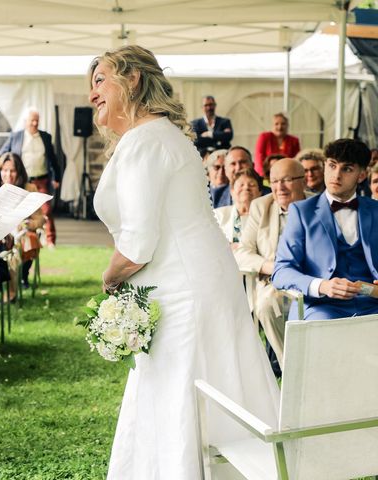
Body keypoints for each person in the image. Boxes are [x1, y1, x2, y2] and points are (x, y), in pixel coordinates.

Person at [88, 45, 278, 479]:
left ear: (133, 79)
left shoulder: (144, 141)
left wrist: (110, 276)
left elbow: (137, 243)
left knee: (185, 385)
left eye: (101, 80)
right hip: (193, 279)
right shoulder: (165, 135)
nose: (93, 93)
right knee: (209, 380)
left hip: (183, 288)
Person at [273, 138, 378, 320]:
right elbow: (281, 271)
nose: (336, 175)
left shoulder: (375, 210)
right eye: (332, 165)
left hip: (372, 303)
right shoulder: (302, 212)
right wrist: (322, 286)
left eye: (347, 169)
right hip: (322, 306)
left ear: (361, 175)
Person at [234, 159, 308, 366]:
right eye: (274, 181)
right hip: (274, 283)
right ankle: (290, 367)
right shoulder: (261, 206)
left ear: (303, 182)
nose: (279, 187)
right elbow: (242, 253)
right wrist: (276, 268)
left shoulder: (318, 206)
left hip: (309, 281)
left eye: (286, 180)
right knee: (266, 306)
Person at [0, 108, 60, 247]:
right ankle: (20, 238)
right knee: (23, 210)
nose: (34, 123)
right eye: (32, 120)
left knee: (46, 210)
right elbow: (4, 153)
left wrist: (56, 177)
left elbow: (53, 159)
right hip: (22, 181)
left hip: (41, 179)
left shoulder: (45, 137)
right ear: (25, 121)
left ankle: (50, 241)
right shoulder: (16, 136)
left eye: (37, 121)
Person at [0, 152, 46, 291]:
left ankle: (23, 275)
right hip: (2, 232)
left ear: (19, 172)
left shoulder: (29, 189)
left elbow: (40, 218)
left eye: (12, 171)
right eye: (5, 170)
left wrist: (27, 224)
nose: (8, 175)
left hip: (23, 232)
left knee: (29, 239)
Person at [213, 168, 263, 247]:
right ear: (232, 191)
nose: (246, 188)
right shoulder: (218, 215)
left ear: (260, 192)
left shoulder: (263, 218)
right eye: (241, 185)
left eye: (251, 185)